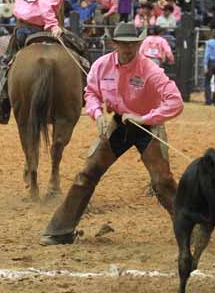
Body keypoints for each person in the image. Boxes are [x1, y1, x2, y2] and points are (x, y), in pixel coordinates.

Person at [40, 22, 184, 245]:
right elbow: (91, 93)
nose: (128, 49)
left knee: (162, 180)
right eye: (123, 44)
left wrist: (144, 118)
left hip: (148, 127)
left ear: (138, 44)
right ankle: (60, 230)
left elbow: (175, 102)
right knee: (87, 173)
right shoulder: (101, 66)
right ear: (114, 44)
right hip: (118, 124)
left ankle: (189, 228)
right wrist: (97, 114)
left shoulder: (150, 70)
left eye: (132, 44)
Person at [0, 0, 86, 124]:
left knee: (7, 63)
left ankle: (0, 107)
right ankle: (82, 96)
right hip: (41, 27)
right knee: (80, 50)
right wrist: (53, 25)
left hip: (21, 28)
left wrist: (24, 5)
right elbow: (45, 4)